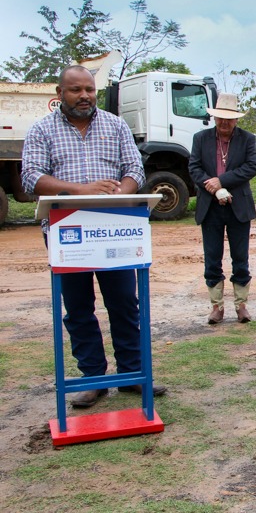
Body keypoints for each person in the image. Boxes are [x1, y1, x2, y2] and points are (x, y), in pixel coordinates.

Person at [21, 65, 166, 408]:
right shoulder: (42, 130)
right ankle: (93, 378)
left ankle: (133, 374)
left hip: (113, 230)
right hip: (67, 234)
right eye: (75, 90)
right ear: (60, 94)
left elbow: (133, 169)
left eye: (89, 89)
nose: (84, 95)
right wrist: (80, 190)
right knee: (79, 309)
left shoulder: (115, 125)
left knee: (124, 304)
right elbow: (31, 176)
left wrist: (118, 195)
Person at [189, 93, 256, 324]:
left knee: (240, 258)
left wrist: (222, 181)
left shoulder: (247, 139)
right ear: (214, 117)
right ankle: (216, 307)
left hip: (238, 205)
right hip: (210, 206)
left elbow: (250, 168)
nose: (224, 123)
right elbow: (194, 168)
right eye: (220, 118)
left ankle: (241, 306)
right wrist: (213, 187)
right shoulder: (201, 138)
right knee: (212, 258)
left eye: (229, 119)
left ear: (236, 119)